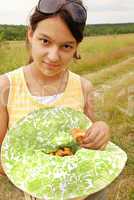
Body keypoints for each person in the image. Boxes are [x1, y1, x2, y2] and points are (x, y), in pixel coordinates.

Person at [0, 0, 110, 199]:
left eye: (66, 46)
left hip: (87, 191)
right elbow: (2, 157)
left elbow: (91, 134)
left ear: (76, 47)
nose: (53, 56)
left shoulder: (83, 87)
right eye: (45, 41)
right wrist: (41, 173)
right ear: (30, 34)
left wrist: (102, 128)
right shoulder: (6, 87)